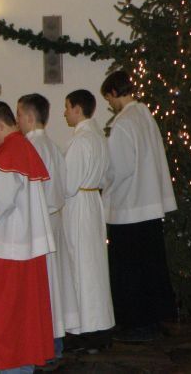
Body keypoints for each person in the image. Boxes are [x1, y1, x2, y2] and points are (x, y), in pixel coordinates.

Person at [0, 100, 56, 372]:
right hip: (27, 249)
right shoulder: (25, 147)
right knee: (24, 317)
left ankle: (7, 369)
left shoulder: (9, 152)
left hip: (8, 250)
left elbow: (1, 200)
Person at [101, 70, 177, 341]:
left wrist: (102, 183)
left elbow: (118, 168)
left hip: (129, 209)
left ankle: (136, 323)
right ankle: (153, 320)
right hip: (149, 207)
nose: (110, 104)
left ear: (113, 93)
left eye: (108, 99)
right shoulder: (145, 117)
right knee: (151, 266)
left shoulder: (124, 123)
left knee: (129, 271)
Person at [17, 93, 78, 363]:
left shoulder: (29, 148)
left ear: (30, 117)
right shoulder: (52, 146)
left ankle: (47, 349)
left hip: (39, 225)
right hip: (54, 220)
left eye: (19, 115)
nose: (17, 120)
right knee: (54, 286)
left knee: (42, 288)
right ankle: (55, 346)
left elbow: (27, 192)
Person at [62, 89, 115, 351]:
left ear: (77, 109)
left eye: (67, 107)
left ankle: (84, 330)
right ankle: (99, 327)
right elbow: (108, 176)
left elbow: (68, 184)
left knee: (80, 266)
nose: (64, 113)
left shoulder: (81, 141)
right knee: (94, 268)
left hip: (79, 206)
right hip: (93, 202)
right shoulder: (99, 137)